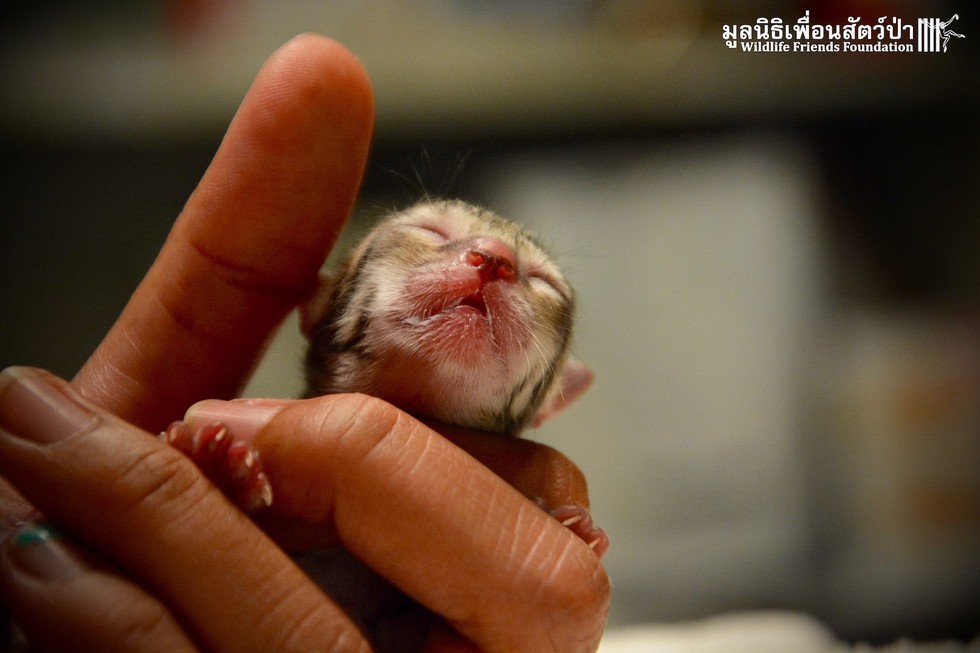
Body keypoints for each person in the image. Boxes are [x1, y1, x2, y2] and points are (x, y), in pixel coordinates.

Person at [0, 34, 610, 652]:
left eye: (543, 285)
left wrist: (549, 529)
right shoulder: (248, 454)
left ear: (552, 398)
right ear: (319, 305)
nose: (494, 259)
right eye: (428, 233)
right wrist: (216, 481)